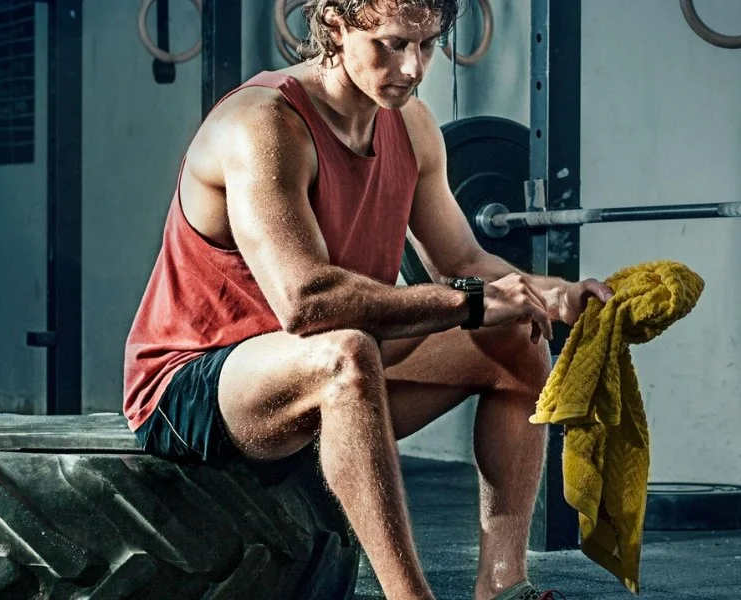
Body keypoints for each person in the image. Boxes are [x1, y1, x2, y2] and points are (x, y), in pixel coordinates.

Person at [123, 0, 612, 598]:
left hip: (330, 363)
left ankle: (503, 585)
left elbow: (463, 263)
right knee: (344, 352)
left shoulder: (413, 127)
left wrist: (557, 297)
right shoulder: (263, 125)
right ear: (333, 23)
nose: (412, 68)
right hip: (198, 382)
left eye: (427, 45)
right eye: (390, 44)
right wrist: (472, 301)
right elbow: (307, 302)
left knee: (516, 336)